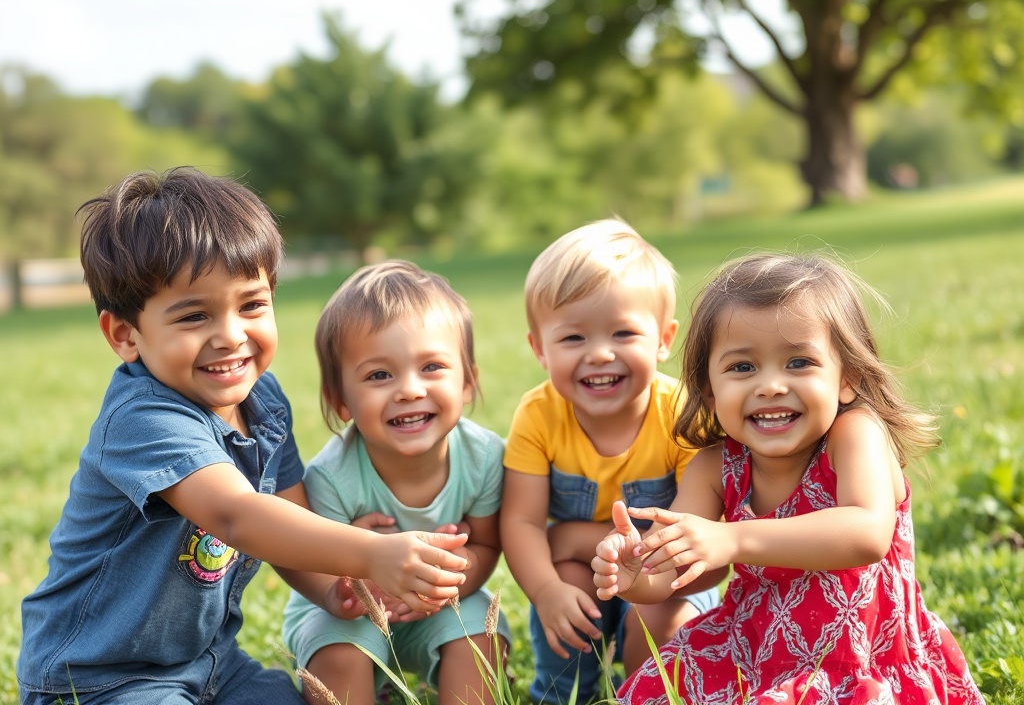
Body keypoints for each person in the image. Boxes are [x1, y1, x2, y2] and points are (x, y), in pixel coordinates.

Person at [17, 168, 470, 705]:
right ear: (126, 335)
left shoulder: (264, 403)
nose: (231, 336)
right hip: (100, 677)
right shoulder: (143, 419)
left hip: (211, 666)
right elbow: (238, 516)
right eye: (193, 316)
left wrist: (335, 584)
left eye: (251, 305)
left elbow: (288, 517)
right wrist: (371, 553)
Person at [593, 251, 984, 704]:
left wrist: (732, 538)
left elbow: (867, 532)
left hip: (861, 659)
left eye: (799, 362)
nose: (771, 385)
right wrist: (636, 573)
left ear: (847, 378)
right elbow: (677, 574)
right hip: (750, 655)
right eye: (742, 367)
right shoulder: (715, 467)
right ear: (708, 388)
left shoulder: (854, 436)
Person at [501, 219, 720, 705]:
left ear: (663, 339)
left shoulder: (680, 415)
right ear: (539, 348)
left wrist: (575, 537)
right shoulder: (539, 415)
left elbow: (696, 548)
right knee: (568, 588)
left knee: (660, 620)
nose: (600, 354)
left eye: (623, 333)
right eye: (573, 339)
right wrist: (545, 591)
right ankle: (564, 695)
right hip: (585, 570)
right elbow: (520, 520)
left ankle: (651, 695)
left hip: (673, 575)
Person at [282, 260, 511, 705]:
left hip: (443, 605)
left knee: (481, 640)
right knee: (339, 652)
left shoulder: (484, 458)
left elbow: (487, 544)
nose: (408, 389)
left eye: (431, 367)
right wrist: (356, 571)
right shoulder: (333, 475)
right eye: (379, 375)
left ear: (468, 382)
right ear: (340, 400)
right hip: (347, 612)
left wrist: (451, 580)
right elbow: (323, 569)